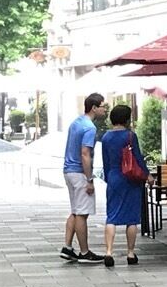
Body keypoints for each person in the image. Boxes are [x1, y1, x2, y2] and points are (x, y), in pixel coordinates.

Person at [96, 103, 147, 269]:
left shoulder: (106, 137)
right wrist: (147, 175)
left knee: (112, 216)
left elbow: (106, 162)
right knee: (131, 218)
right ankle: (130, 253)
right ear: (126, 119)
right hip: (130, 178)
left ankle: (109, 252)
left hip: (113, 177)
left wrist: (109, 178)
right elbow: (137, 158)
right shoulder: (130, 136)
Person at [60, 91, 105, 263]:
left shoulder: (76, 122)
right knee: (82, 214)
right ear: (94, 108)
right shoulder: (89, 128)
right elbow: (85, 153)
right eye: (102, 107)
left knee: (75, 210)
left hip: (68, 170)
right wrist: (89, 179)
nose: (104, 110)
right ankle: (85, 252)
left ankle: (67, 247)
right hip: (79, 173)